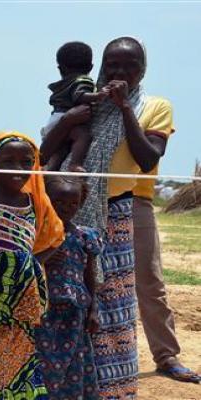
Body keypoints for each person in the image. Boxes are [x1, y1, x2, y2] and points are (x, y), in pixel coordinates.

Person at [41, 36, 175, 399]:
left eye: (128, 65)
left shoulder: (154, 106)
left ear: (142, 70)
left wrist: (125, 109)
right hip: (73, 209)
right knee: (75, 296)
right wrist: (77, 114)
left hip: (118, 211)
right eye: (112, 64)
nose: (119, 72)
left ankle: (115, 387)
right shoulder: (86, 101)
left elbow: (148, 158)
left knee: (115, 303)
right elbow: (49, 150)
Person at [0, 132, 64, 399]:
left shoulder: (37, 203)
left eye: (26, 161)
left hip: (21, 303)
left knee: (20, 355)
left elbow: (55, 236)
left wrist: (31, 265)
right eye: (8, 160)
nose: (18, 169)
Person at [35, 176, 101, 399]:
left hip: (76, 314)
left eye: (73, 203)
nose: (66, 208)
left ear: (81, 203)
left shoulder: (85, 236)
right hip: (44, 312)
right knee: (45, 364)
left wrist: (93, 310)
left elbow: (89, 275)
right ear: (46, 200)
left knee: (74, 362)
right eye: (59, 203)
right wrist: (43, 256)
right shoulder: (39, 234)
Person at [133, 174, 201, 383]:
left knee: (151, 282)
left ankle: (166, 355)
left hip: (136, 199)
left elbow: (150, 156)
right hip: (88, 194)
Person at [42, 42, 110, 172]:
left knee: (60, 152)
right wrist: (98, 95)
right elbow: (79, 96)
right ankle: (75, 164)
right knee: (84, 136)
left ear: (60, 69)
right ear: (91, 67)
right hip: (65, 117)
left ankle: (49, 172)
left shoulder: (64, 83)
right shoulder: (83, 80)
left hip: (54, 119)